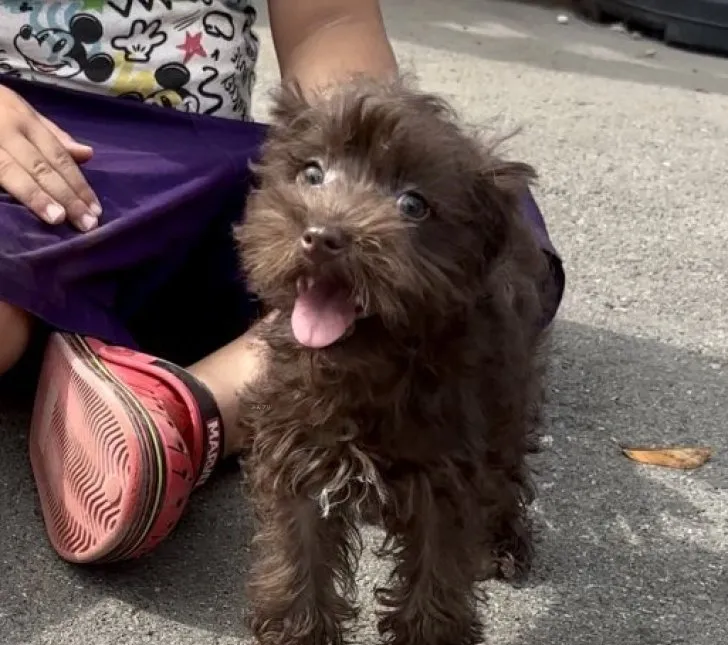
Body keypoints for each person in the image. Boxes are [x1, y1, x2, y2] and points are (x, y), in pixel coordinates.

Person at [0, 0, 563, 565]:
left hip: (203, 165)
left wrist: (361, 150)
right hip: (22, 142)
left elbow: (330, 22)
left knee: (490, 242)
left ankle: (190, 408)